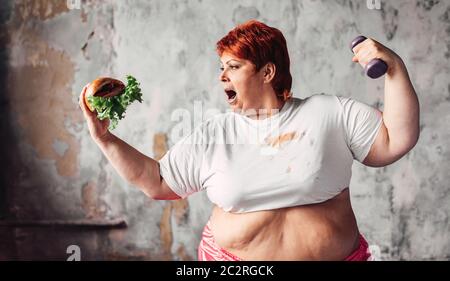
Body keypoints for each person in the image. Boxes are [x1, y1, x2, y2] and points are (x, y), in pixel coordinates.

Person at [79, 20, 420, 261]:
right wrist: (104, 138)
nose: (221, 75)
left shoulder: (330, 112)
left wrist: (394, 68)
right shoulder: (215, 132)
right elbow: (157, 183)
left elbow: (397, 139)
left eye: (233, 66)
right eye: (221, 67)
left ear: (267, 72)